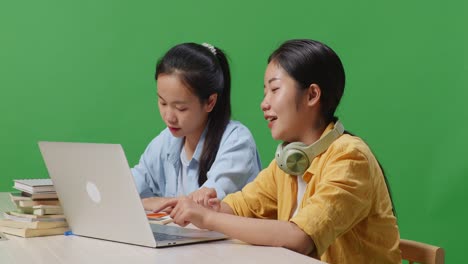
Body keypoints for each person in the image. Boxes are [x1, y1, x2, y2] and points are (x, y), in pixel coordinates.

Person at [154, 39, 401, 263]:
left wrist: (207, 218)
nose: (264, 103)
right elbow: (240, 206)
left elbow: (300, 237)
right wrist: (210, 206)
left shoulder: (350, 157)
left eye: (274, 90)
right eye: (264, 92)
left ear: (312, 95)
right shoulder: (289, 162)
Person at [132, 42, 262, 212]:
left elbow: (202, 206)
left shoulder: (237, 141)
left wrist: (150, 203)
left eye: (181, 108)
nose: (169, 116)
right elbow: (129, 185)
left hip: (228, 239)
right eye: (162, 102)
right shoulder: (167, 140)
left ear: (210, 102)